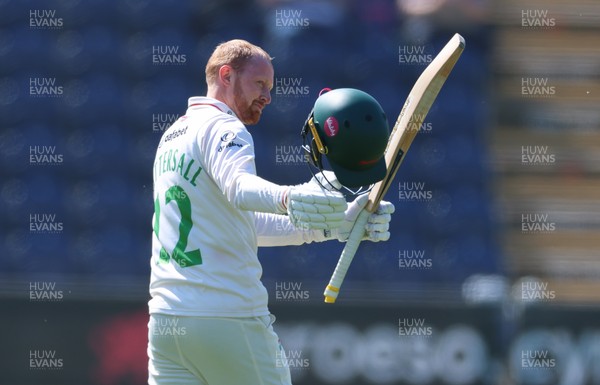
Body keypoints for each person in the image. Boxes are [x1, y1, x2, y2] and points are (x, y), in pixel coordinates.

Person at [147, 39, 395, 385]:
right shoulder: (225, 127)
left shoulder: (173, 135)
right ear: (226, 75)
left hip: (167, 324)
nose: (267, 96)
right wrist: (289, 197)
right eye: (259, 84)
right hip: (228, 317)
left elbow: (244, 225)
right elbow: (240, 187)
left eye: (270, 87)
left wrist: (329, 226)